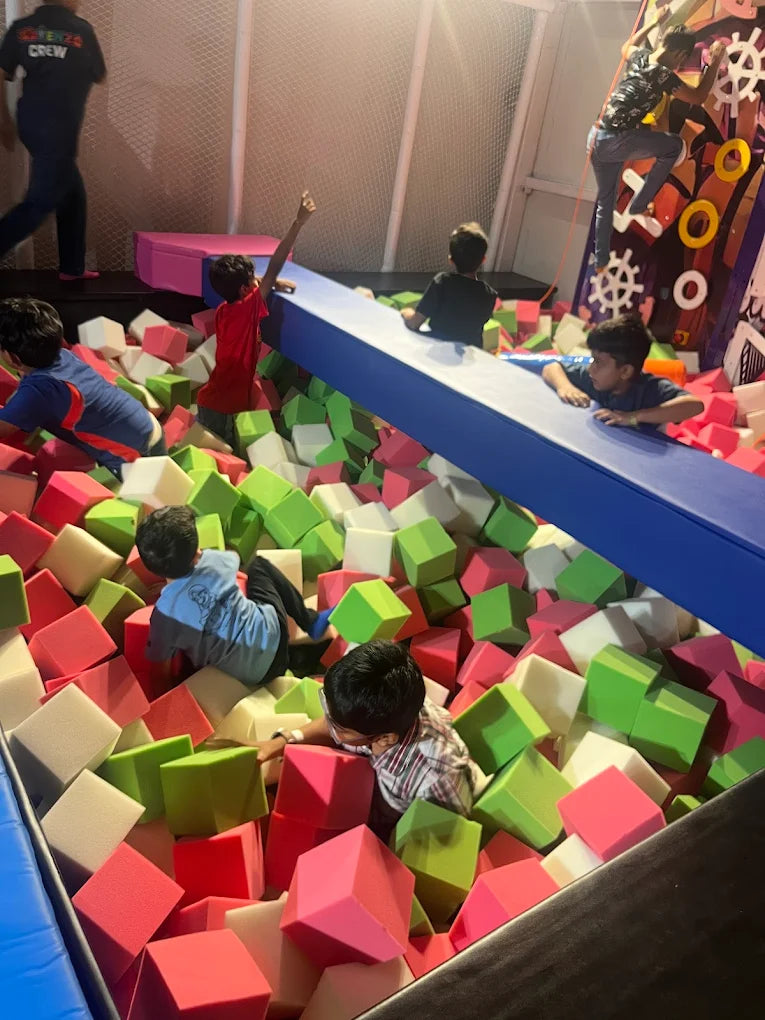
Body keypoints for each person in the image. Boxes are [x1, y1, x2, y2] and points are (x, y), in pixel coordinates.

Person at [257, 640, 483, 835]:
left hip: (390, 818)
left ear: (385, 739)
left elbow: (439, 843)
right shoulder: (372, 701)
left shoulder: (436, 777)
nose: (329, 723)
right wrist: (283, 740)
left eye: (340, 728)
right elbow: (333, 721)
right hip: (360, 782)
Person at [136, 505, 333, 686]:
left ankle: (298, 658)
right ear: (196, 553)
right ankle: (310, 622)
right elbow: (241, 577)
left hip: (254, 676)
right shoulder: (213, 561)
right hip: (275, 634)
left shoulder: (163, 617)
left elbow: (160, 671)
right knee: (259, 566)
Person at [589, 12, 726, 272]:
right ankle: (639, 204)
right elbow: (697, 97)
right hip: (617, 139)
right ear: (679, 55)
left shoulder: (640, 58)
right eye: (683, 60)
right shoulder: (662, 75)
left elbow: (626, 46)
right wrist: (715, 62)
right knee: (673, 147)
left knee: (607, 200)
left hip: (596, 137)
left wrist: (654, 22)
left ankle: (601, 260)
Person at [196, 191, 316, 448]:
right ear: (243, 290)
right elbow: (275, 264)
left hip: (214, 402)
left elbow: (263, 281)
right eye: (252, 280)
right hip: (221, 412)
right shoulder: (246, 310)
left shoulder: (226, 309)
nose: (256, 283)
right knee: (224, 464)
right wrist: (298, 222)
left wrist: (272, 284)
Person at [0, 0, 106, 280]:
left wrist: (4, 121)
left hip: (31, 122)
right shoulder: (81, 31)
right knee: (40, 202)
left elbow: (0, 72)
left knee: (73, 195)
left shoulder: (22, 29)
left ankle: (72, 268)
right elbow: (100, 75)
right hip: (58, 127)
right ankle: (71, 267)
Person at [0, 297, 166, 475]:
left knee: (136, 499)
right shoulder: (63, 356)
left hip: (135, 454)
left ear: (13, 358)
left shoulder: (39, 391)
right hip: (148, 425)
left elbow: (3, 429)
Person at [542, 314, 704, 427]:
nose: (591, 368)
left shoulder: (648, 389)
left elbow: (695, 405)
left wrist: (633, 417)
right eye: (592, 359)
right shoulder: (592, 377)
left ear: (625, 371)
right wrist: (565, 386)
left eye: (598, 362)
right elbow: (552, 367)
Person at [401, 222, 498, 347]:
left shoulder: (442, 282)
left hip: (439, 348)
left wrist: (406, 313)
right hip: (471, 350)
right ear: (483, 260)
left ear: (450, 259)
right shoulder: (489, 295)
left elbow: (415, 323)